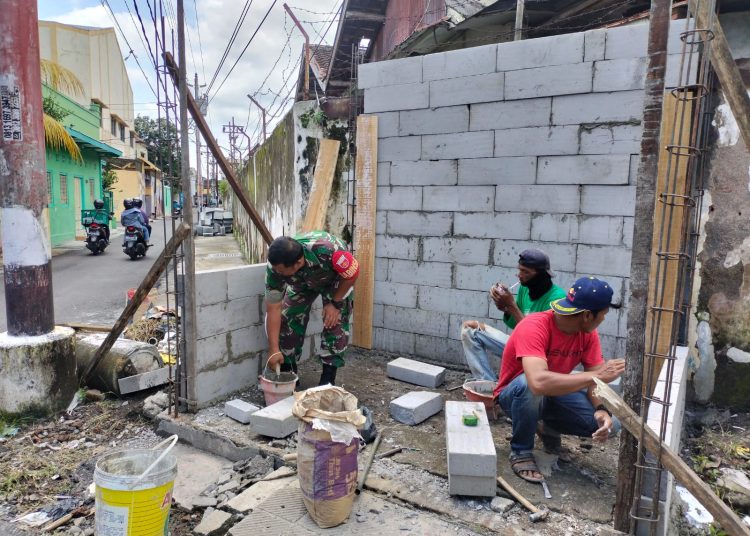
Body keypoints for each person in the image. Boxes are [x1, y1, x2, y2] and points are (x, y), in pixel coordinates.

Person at [494, 276, 626, 483]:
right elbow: (537, 382)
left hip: (550, 395)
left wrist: (601, 409)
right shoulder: (534, 326)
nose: (603, 320)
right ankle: (521, 451)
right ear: (588, 315)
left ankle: (547, 428)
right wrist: (599, 375)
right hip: (515, 397)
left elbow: (593, 382)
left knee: (613, 425)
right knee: (530, 386)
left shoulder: (588, 334)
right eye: (603, 315)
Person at [264, 231, 359, 387]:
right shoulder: (276, 266)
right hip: (301, 283)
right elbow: (273, 308)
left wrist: (335, 303)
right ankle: (289, 372)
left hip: (335, 281)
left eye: (281, 271)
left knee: (334, 322)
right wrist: (273, 349)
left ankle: (328, 379)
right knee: (287, 316)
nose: (277, 273)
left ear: (298, 262)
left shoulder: (331, 251)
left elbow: (352, 274)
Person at [461, 249, 567, 381]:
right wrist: (504, 307)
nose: (520, 275)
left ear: (541, 275)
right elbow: (515, 325)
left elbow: (535, 340)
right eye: (520, 270)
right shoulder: (526, 288)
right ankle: (486, 384)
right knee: (470, 329)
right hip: (520, 346)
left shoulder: (556, 299)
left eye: (526, 272)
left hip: (539, 358)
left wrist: (511, 305)